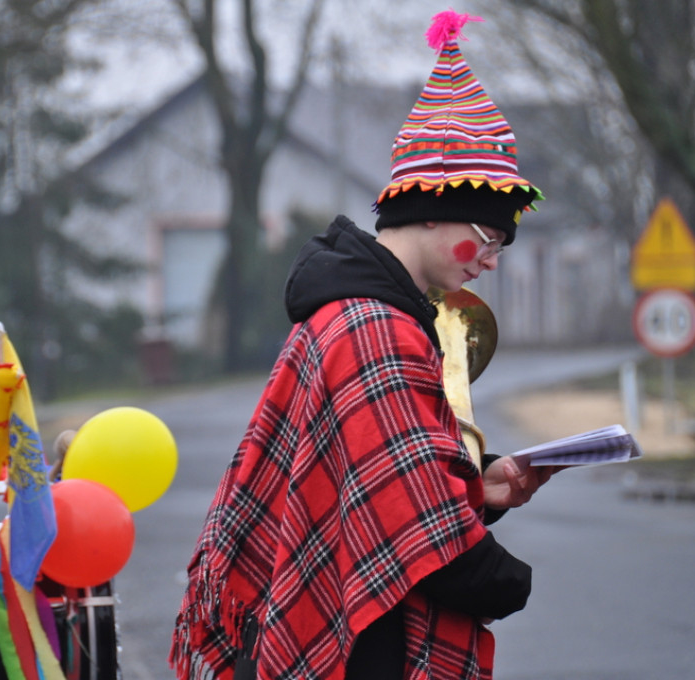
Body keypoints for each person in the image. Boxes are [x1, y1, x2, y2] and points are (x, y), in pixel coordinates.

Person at [170, 11, 558, 680]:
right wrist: (506, 582)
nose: (492, 260)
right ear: (431, 208)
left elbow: (372, 488)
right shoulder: (373, 327)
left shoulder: (364, 310)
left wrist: (477, 490)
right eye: (488, 236)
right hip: (363, 647)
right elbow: (422, 537)